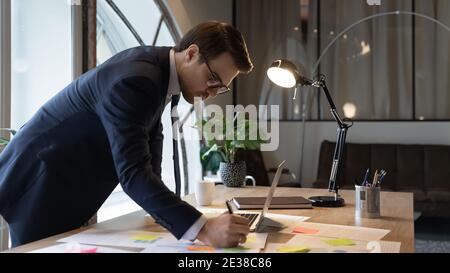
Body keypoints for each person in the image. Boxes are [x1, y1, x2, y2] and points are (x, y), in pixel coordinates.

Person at [0, 21, 253, 248]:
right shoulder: (137, 79)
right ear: (191, 53)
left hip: (61, 182)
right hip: (39, 182)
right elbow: (133, 171)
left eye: (220, 87)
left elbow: (148, 150)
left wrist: (166, 214)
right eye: (212, 79)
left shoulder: (160, 75)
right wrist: (204, 229)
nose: (211, 91)